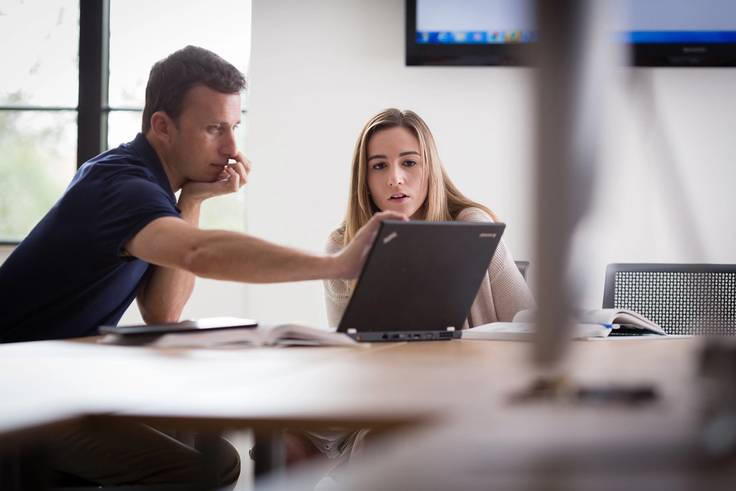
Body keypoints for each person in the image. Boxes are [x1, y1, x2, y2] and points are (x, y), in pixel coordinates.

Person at [0, 46, 403, 488]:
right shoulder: (122, 186)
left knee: (210, 451)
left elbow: (162, 310)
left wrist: (191, 200)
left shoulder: (153, 189)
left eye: (234, 128)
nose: (231, 148)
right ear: (162, 126)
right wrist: (337, 264)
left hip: (53, 382)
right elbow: (198, 253)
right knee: (205, 468)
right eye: (213, 129)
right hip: (17, 392)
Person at [324, 108, 535, 329]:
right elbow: (343, 348)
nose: (395, 179)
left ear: (430, 169)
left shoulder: (476, 228)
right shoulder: (342, 245)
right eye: (379, 166)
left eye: (409, 163)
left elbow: (529, 327)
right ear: (364, 181)